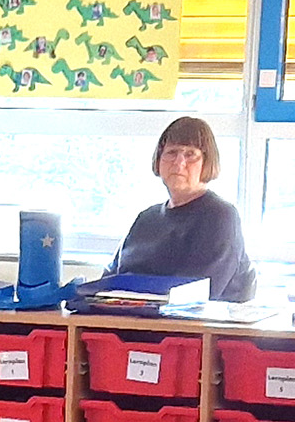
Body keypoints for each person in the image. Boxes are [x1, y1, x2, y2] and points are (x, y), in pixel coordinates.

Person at [102, 118, 256, 302]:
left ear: (207, 163)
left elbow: (200, 293)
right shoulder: (146, 218)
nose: (179, 162)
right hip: (132, 319)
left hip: (192, 325)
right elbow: (110, 280)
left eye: (190, 154)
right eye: (171, 152)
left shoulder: (221, 216)